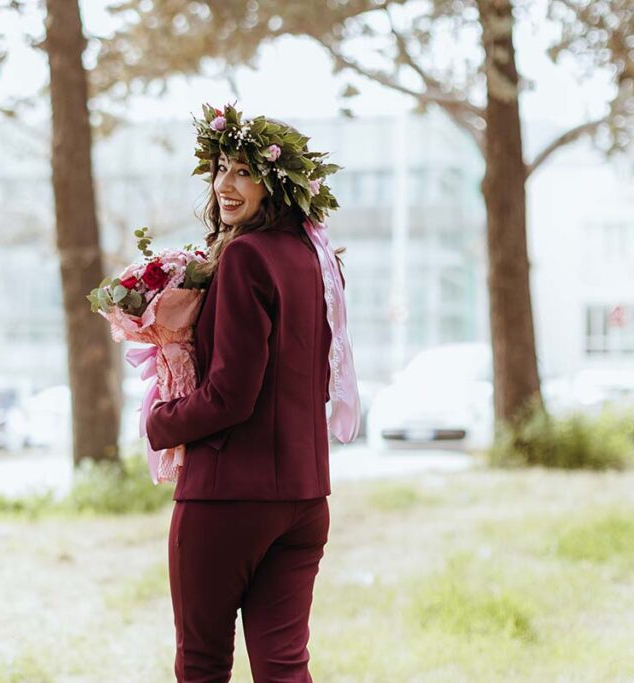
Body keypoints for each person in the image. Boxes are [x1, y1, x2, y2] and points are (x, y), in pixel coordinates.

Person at [146, 103, 362, 683]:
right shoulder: (319, 260)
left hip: (229, 498)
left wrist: (160, 420)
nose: (225, 184)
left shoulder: (245, 255)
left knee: (203, 664)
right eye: (221, 169)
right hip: (305, 499)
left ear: (277, 183)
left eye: (244, 172)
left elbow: (231, 395)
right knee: (284, 668)